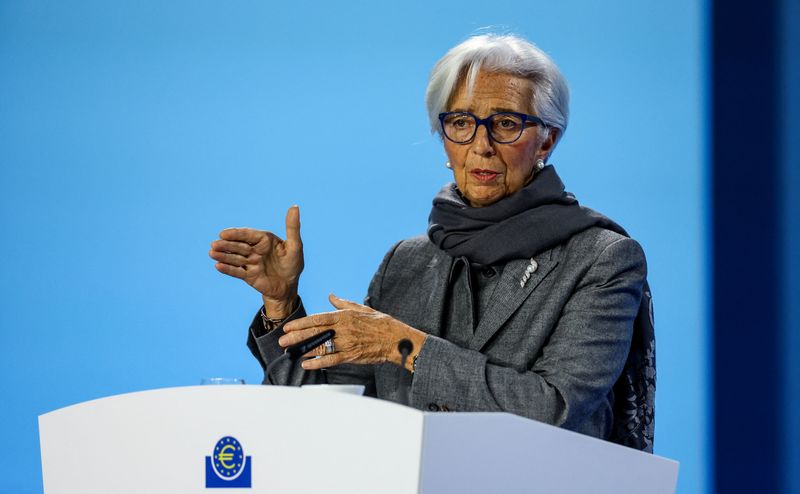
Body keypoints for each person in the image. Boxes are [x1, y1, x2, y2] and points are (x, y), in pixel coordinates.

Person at [209, 34, 656, 452]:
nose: (481, 145)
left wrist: (406, 347)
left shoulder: (602, 259)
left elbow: (557, 410)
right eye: (461, 122)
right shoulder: (406, 263)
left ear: (546, 140)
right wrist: (281, 304)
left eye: (505, 123)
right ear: (444, 138)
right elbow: (332, 411)